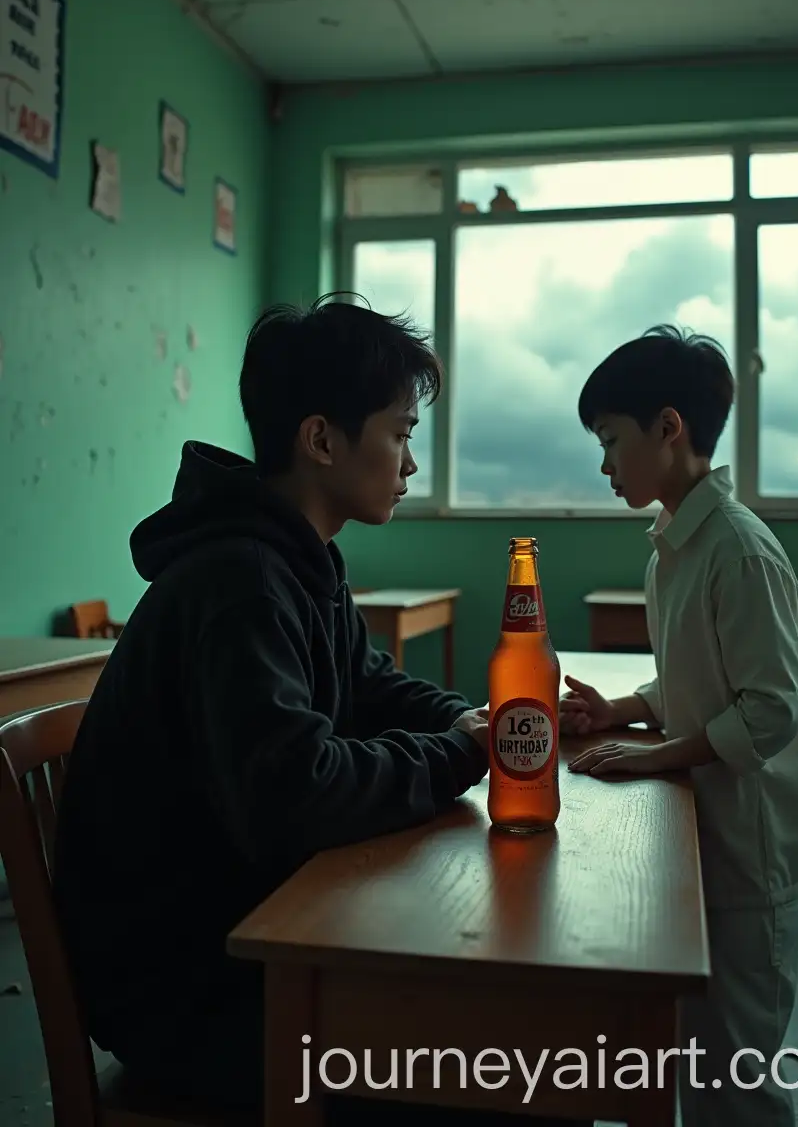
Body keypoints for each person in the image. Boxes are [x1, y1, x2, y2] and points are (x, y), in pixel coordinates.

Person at [52, 298, 495, 1115]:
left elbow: (366, 683)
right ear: (322, 439)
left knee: (490, 1028)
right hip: (187, 991)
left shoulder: (301, 556)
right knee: (498, 1066)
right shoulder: (241, 580)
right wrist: (460, 754)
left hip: (240, 932)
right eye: (399, 433)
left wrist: (475, 724)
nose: (409, 463)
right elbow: (295, 794)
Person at [559, 324, 798, 1127]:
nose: (604, 464)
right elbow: (696, 675)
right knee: (697, 1063)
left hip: (754, 852)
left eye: (611, 440)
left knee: (735, 1084)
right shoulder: (675, 544)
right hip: (708, 840)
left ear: (668, 429)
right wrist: (628, 710)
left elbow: (770, 709)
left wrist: (662, 755)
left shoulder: (739, 551)